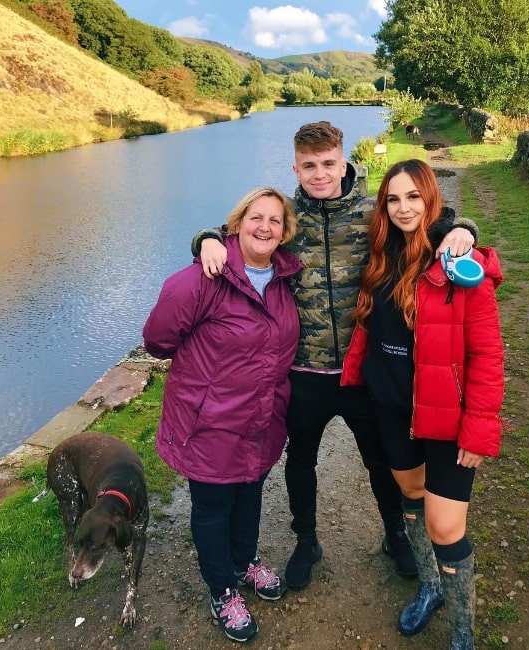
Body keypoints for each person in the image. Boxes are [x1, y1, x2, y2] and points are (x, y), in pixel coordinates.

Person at [192, 121, 479, 591]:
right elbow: (235, 231)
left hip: (362, 371)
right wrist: (204, 238)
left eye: (328, 163)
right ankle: (306, 542)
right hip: (303, 372)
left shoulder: (374, 212)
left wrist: (463, 229)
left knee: (381, 461)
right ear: (296, 167)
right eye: (309, 166)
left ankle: (395, 536)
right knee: (300, 462)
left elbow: (435, 224)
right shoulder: (285, 216)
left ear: (342, 161)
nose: (319, 174)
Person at [340, 159, 505, 650]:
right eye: (393, 198)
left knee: (445, 526)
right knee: (410, 500)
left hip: (448, 420)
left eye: (413, 197)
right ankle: (430, 588)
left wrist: (479, 428)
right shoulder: (381, 256)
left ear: (431, 199)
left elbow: (488, 355)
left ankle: (461, 635)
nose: (403, 207)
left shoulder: (457, 263)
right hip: (392, 410)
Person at [143, 187, 303, 643]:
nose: (265, 227)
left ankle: (244, 560)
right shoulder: (203, 279)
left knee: (249, 494)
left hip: (261, 420)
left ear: (285, 232)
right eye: (256, 217)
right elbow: (157, 340)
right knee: (213, 507)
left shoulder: (283, 277)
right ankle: (222, 590)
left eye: (275, 220)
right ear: (236, 222)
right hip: (210, 423)